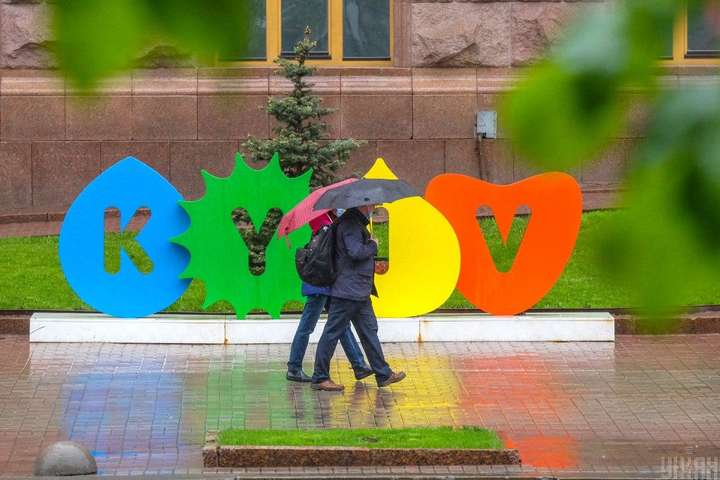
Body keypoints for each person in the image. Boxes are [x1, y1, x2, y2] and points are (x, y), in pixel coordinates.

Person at [311, 205, 406, 391]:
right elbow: (355, 252)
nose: (373, 207)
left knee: (369, 331)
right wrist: (373, 245)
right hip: (348, 291)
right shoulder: (350, 224)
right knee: (332, 332)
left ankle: (383, 374)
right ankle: (320, 377)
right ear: (362, 204)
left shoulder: (353, 222)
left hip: (358, 290)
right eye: (371, 204)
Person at [286, 212, 373, 383]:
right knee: (308, 326)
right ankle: (294, 367)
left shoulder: (328, 224)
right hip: (319, 285)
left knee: (341, 324)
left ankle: (359, 364)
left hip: (327, 284)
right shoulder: (323, 225)